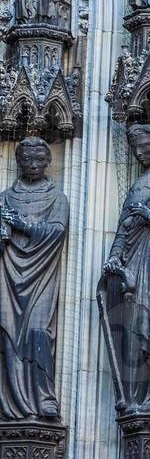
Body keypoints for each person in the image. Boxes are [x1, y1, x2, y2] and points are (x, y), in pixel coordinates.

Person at [97, 124, 150, 409]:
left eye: (143, 146)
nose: (139, 153)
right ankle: (139, 396)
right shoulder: (138, 184)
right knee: (133, 328)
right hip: (132, 265)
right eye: (135, 148)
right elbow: (124, 226)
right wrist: (115, 256)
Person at [0, 138, 69, 420]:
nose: (33, 165)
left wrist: (22, 225)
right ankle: (12, 401)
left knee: (38, 332)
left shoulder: (57, 198)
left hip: (42, 274)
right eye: (27, 160)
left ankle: (43, 398)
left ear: (48, 162)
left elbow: (56, 232)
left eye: (39, 160)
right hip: (9, 273)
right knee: (8, 334)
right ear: (18, 162)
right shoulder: (5, 197)